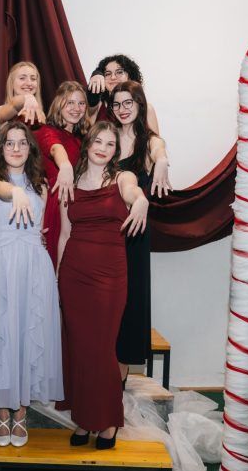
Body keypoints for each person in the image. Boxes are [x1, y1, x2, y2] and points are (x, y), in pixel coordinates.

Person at [56, 121, 148, 449]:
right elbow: (65, 234)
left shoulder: (122, 178)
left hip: (110, 274)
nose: (103, 148)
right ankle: (84, 419)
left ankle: (108, 420)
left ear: (115, 151)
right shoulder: (70, 181)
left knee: (103, 348)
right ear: (88, 143)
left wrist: (141, 200)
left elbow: (133, 192)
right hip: (73, 274)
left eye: (110, 144)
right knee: (80, 348)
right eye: (98, 141)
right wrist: (58, 277)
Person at [0, 122, 63, 447]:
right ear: (0, 148)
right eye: (9, 143)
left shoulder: (41, 186)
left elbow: (40, 227)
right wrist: (13, 192)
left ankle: (22, 413)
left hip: (34, 266)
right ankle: (3, 413)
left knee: (29, 334)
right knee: (1, 336)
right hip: (0, 267)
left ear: (30, 149)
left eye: (22, 143)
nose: (15, 148)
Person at [108, 82, 171, 387]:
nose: (122, 109)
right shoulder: (106, 138)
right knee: (106, 301)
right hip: (106, 230)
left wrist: (162, 161)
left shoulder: (149, 142)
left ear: (139, 104)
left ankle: (119, 379)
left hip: (133, 233)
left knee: (130, 301)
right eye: (117, 104)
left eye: (128, 103)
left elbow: (160, 149)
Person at [32, 81, 88, 269]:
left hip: (78, 207)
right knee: (55, 265)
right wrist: (65, 166)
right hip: (58, 204)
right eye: (70, 102)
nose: (76, 108)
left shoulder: (81, 139)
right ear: (59, 103)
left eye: (81, 103)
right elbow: (56, 148)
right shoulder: (46, 131)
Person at [86, 54, 161, 132]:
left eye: (119, 72)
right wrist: (96, 73)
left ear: (130, 76)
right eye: (107, 74)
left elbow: (155, 138)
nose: (113, 77)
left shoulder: (147, 109)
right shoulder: (97, 106)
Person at [0, 61, 45, 125]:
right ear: (11, 83)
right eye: (22, 78)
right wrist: (27, 97)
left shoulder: (41, 114)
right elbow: (14, 105)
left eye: (33, 79)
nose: (29, 83)